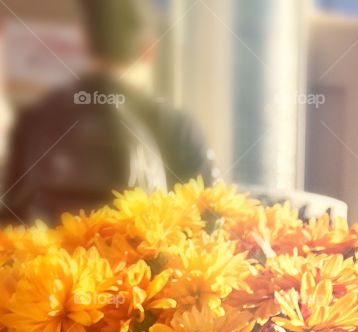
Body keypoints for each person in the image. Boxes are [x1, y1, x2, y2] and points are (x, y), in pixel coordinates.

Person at [3, 0, 216, 225]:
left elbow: (10, 219)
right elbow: (209, 218)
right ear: (148, 50)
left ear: (87, 45)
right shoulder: (177, 127)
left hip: (43, 257)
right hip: (143, 258)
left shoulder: (36, 118)